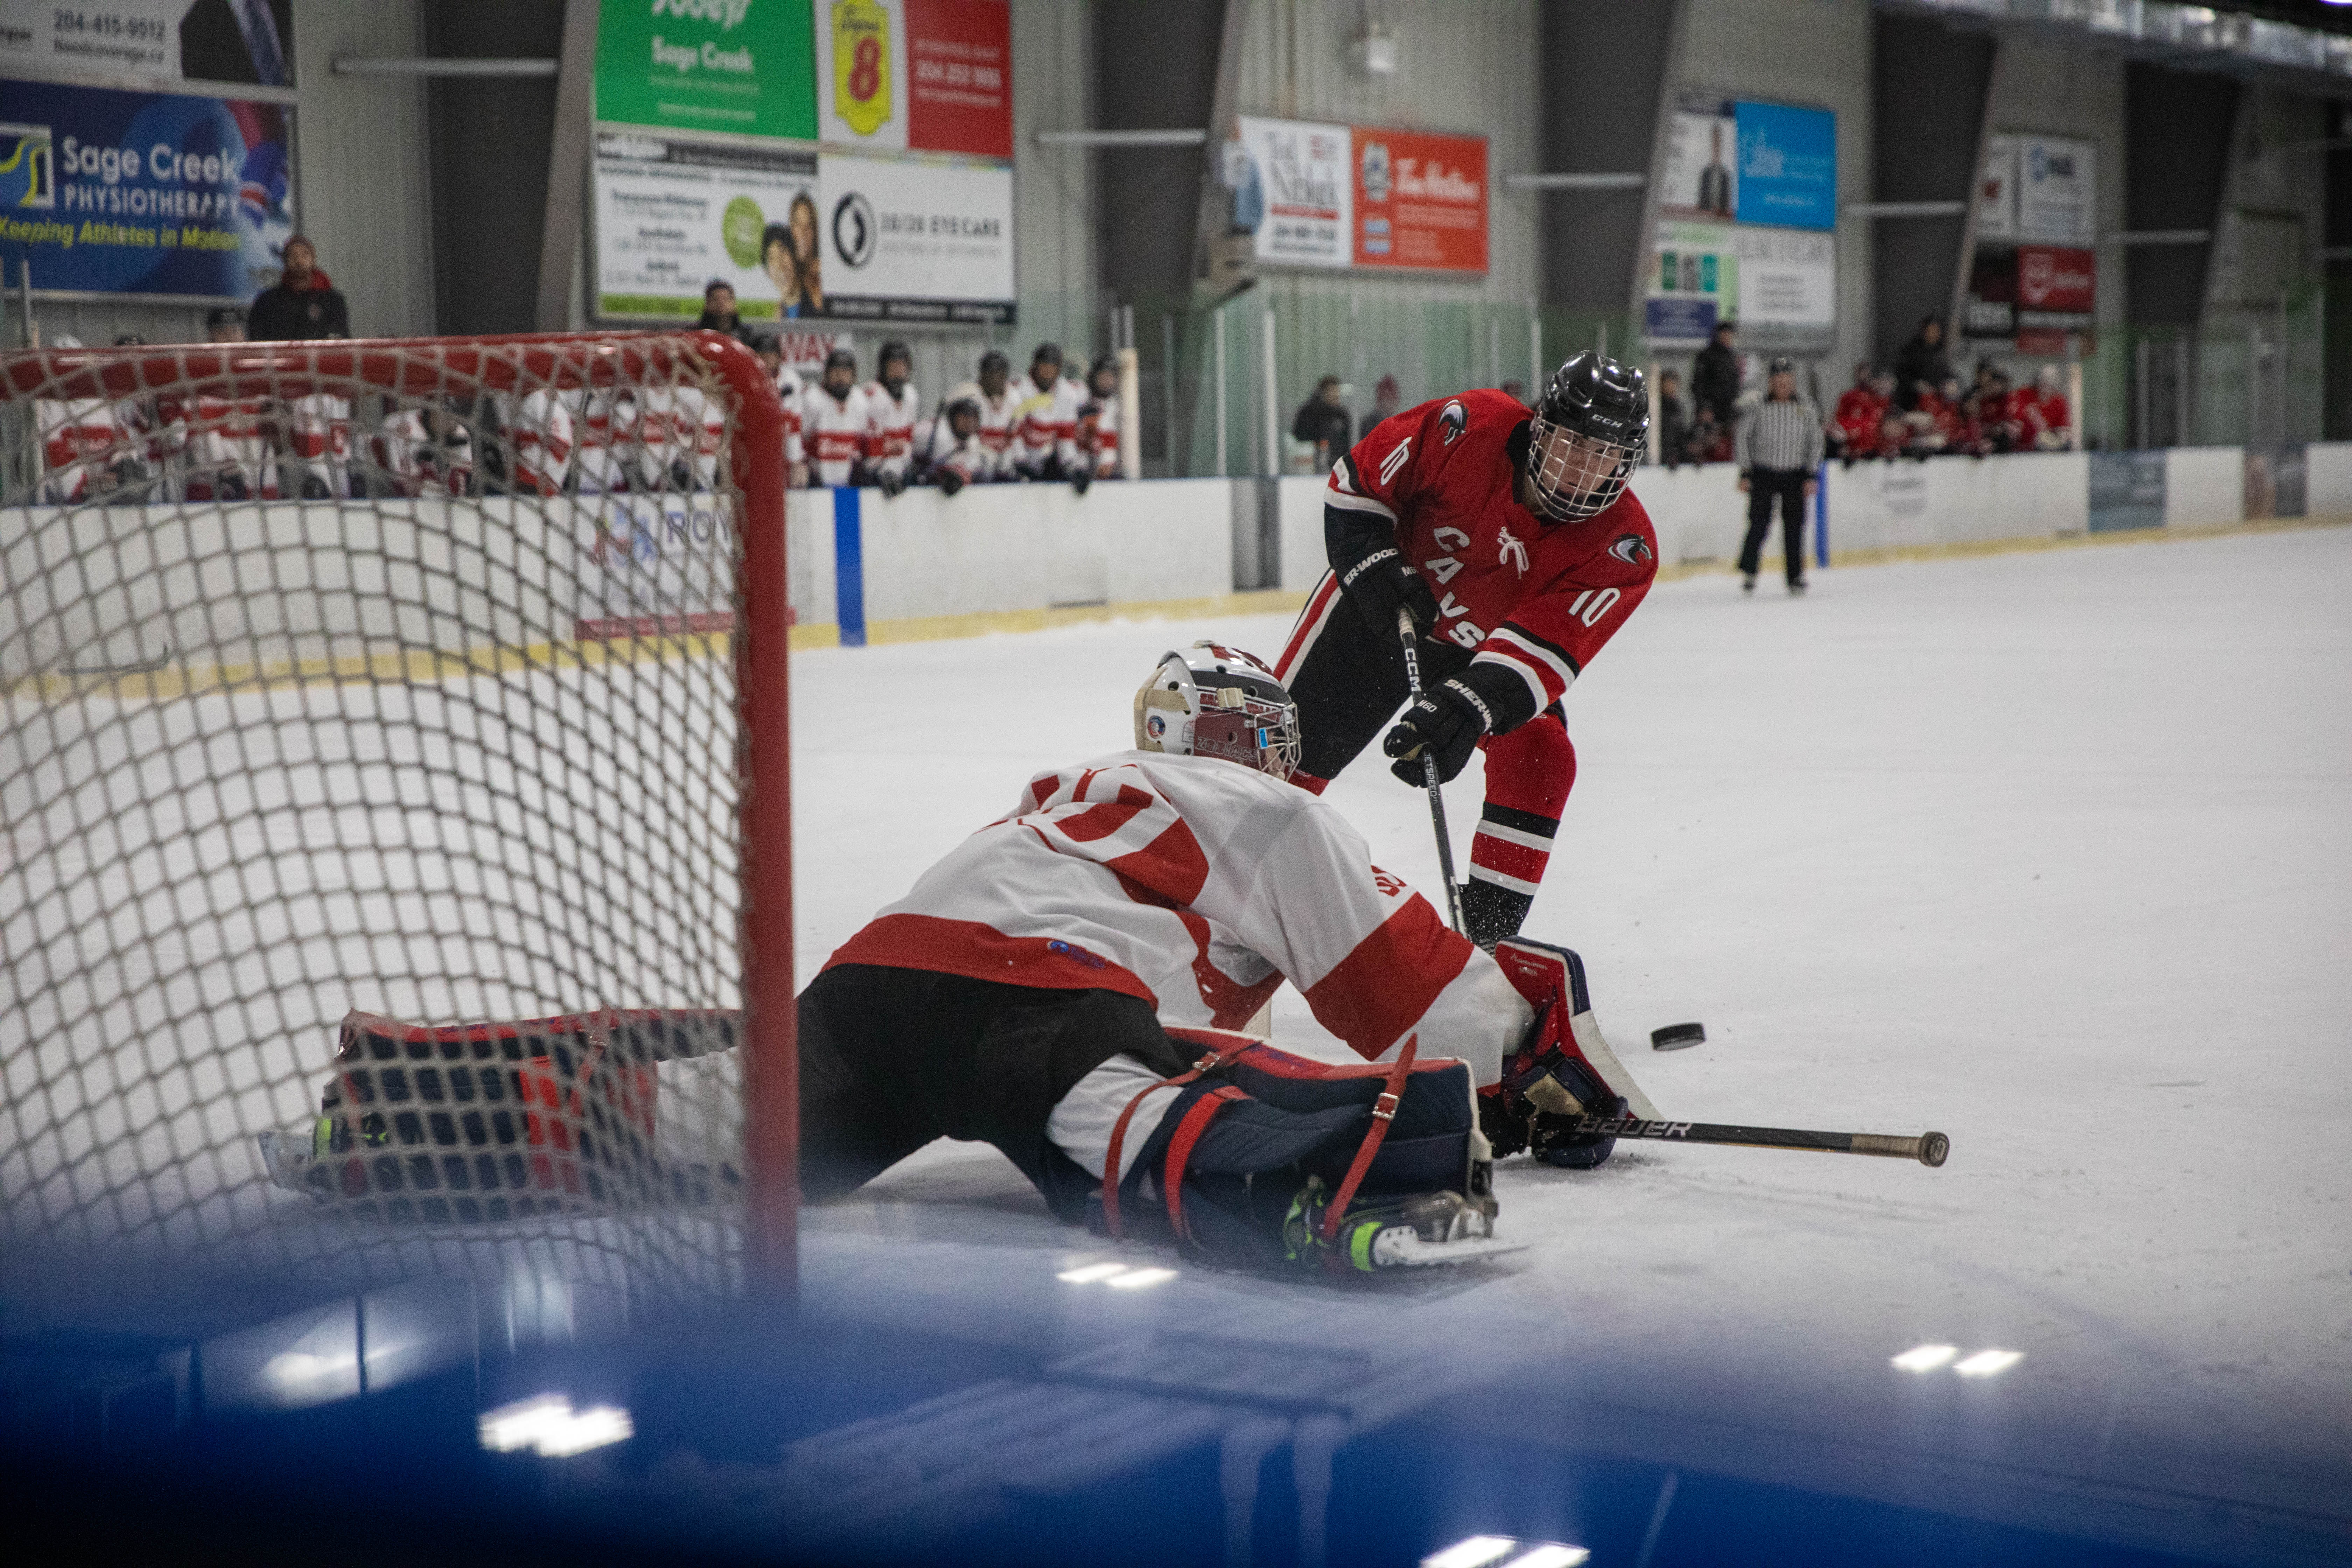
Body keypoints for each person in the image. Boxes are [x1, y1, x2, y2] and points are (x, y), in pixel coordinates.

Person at [793, 642, 1656, 1272]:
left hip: (865, 983)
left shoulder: (1080, 794)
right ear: (1226, 739)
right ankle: (1350, 1175)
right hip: (1035, 994)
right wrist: (1513, 1065)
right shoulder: (1254, 804)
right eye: (1265, 732)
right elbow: (1407, 978)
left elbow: (1182, 1020)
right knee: (1136, 1125)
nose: (1281, 755)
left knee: (722, 1123)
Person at [1273, 352, 1658, 952]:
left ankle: (1485, 945)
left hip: (1480, 658)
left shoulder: (1624, 548)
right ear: (1542, 428)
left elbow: (1542, 655)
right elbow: (1361, 484)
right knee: (1280, 765)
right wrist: (1372, 561)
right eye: (1576, 445)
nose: (1586, 470)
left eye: (1607, 455)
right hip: (1381, 617)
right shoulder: (1469, 425)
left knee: (1543, 757)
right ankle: (1215, 918)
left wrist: (1469, 706)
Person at [1734, 356, 1822, 596]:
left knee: (1795, 527)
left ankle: (1795, 576)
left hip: (1795, 473)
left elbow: (1815, 442)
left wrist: (1811, 475)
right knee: (1758, 524)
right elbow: (1743, 438)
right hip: (1764, 472)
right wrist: (1745, 471)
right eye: (1779, 380)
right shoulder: (1759, 406)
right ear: (1771, 382)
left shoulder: (1806, 406)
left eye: (1788, 380)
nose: (1784, 385)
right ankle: (1750, 572)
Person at [247, 234, 350, 341]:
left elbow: (340, 341)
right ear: (286, 262)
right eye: (293, 256)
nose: (299, 261)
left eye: (304, 255)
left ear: (313, 259)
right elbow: (257, 341)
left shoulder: (333, 300)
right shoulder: (267, 302)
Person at [1013, 343, 1088, 489]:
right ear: (1035, 366)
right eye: (1044, 367)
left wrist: (1074, 469)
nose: (1048, 373)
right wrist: (1020, 463)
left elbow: (1067, 442)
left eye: (1052, 368)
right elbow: (1013, 436)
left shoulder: (1066, 393)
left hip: (1047, 465)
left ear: (1059, 370)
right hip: (1019, 467)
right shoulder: (1019, 391)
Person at [946, 349, 1021, 480]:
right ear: (982, 375)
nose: (995, 380)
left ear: (1006, 376)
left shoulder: (1015, 399)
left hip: (1002, 465)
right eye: (990, 375)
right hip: (969, 464)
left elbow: (1015, 440)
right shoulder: (967, 394)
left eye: (999, 375)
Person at [801, 347, 869, 488]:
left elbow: (864, 448)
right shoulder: (813, 399)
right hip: (816, 487)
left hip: (849, 489)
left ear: (854, 377)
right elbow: (799, 440)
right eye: (835, 372)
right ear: (826, 375)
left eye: (845, 372)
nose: (841, 377)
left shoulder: (861, 401)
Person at [860, 340, 920, 496]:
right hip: (873, 476)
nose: (898, 372)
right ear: (882, 368)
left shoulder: (911, 395)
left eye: (902, 367)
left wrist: (907, 469)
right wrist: (884, 473)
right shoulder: (873, 396)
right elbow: (870, 457)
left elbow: (907, 444)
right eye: (893, 367)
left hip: (897, 473)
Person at [912, 396, 989, 494]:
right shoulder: (936, 433)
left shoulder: (974, 441)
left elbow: (971, 473)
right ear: (952, 418)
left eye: (974, 419)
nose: (969, 424)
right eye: (964, 419)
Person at [1827, 364, 1891, 464]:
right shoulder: (1850, 397)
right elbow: (1840, 420)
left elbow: (1882, 425)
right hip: (1853, 449)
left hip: (1874, 451)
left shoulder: (1882, 400)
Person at [1291, 375, 1353, 470]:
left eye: (1337, 391)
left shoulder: (1342, 415)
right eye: (1332, 391)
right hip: (1311, 467)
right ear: (1323, 393)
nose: (1336, 395)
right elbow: (1301, 441)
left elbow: (1346, 445)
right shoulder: (1309, 413)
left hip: (1338, 466)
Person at [1077, 354, 1123, 482]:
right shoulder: (1081, 398)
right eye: (1103, 376)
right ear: (1093, 377)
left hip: (1099, 474)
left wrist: (1106, 466)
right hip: (1077, 470)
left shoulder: (1114, 406)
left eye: (1110, 377)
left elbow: (1109, 441)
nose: (1107, 381)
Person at [1893, 316, 1951, 412]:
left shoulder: (1941, 351)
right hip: (1912, 402)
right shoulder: (1911, 350)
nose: (1934, 334)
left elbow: (1945, 373)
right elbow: (1901, 374)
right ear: (1924, 331)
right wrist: (1916, 384)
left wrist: (1949, 382)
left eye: (1937, 331)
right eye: (1931, 331)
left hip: (1935, 401)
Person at [2011, 364, 2073, 451]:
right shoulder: (2024, 394)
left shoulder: (2060, 401)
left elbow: (2062, 429)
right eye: (2043, 383)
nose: (2045, 388)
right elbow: (2014, 421)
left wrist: (2061, 438)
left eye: (2049, 384)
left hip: (2045, 451)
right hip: (2020, 449)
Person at [1690, 319, 1741, 426]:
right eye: (1726, 333)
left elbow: (1734, 383)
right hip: (1711, 412)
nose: (1728, 337)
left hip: (1727, 411)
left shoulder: (1731, 356)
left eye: (1730, 334)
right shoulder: (1707, 356)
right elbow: (1698, 384)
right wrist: (1705, 407)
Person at [789, 192, 826, 314]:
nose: (803, 232)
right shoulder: (785, 272)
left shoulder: (822, 271)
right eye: (798, 224)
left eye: (808, 226)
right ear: (791, 228)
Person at [761, 225, 807, 318]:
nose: (780, 265)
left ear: (794, 256)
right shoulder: (778, 318)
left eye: (783, 252)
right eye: (772, 258)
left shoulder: (816, 304)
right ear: (767, 273)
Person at [1655, 369, 1690, 470]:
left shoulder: (1677, 406)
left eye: (1674, 383)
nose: (1671, 386)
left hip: (1676, 455)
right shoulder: (1658, 407)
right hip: (1662, 455)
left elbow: (1680, 433)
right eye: (1668, 383)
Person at [696, 280, 750, 344]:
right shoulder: (696, 334)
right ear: (707, 305)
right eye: (715, 299)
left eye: (725, 299)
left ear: (734, 304)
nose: (721, 303)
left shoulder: (747, 335)